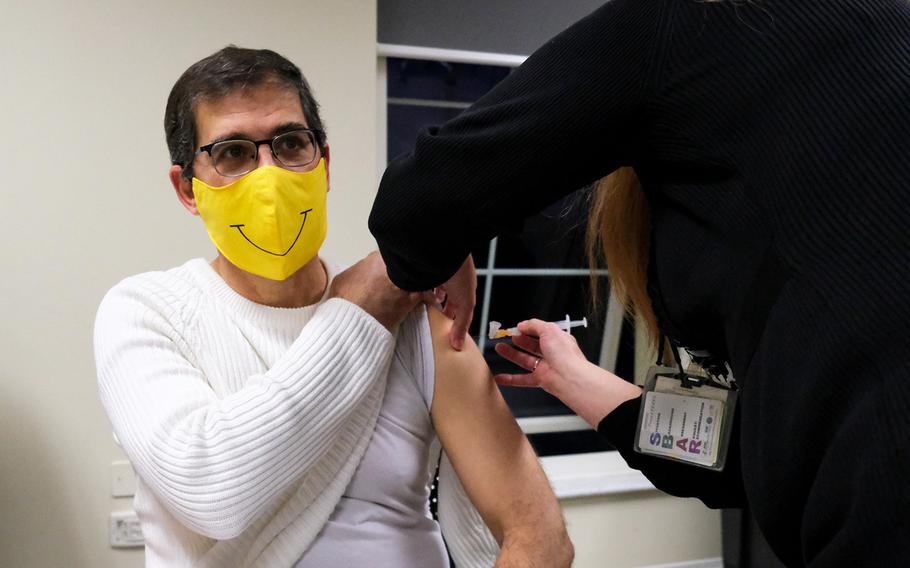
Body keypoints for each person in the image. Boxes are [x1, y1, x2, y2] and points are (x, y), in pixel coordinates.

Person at [368, 1, 910, 566]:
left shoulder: (686, 25)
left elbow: (416, 208)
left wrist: (443, 246)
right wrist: (573, 377)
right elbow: (745, 455)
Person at [94, 46, 572, 568]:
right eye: (233, 153)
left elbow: (537, 532)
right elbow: (209, 488)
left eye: (291, 143)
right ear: (188, 188)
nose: (268, 176)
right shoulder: (146, 312)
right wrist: (368, 295)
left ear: (323, 164)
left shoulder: (414, 318)